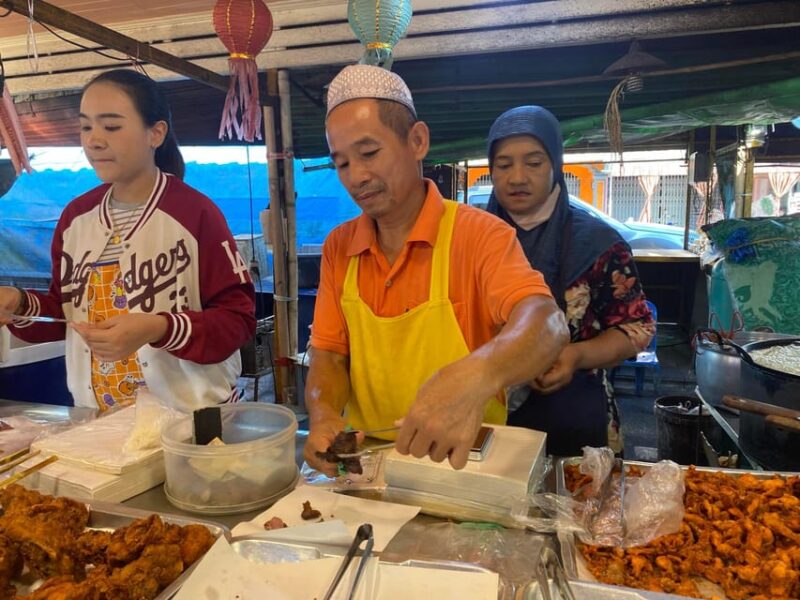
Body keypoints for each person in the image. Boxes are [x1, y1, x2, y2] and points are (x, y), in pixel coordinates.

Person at [303, 65, 569, 475]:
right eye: (341, 163)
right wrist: (322, 414)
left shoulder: (480, 235)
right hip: (370, 470)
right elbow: (330, 355)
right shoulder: (339, 247)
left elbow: (547, 322)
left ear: (417, 141)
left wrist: (475, 375)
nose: (357, 176)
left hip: (467, 469)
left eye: (369, 153)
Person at [0, 69, 255, 412]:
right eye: (86, 126)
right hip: (100, 424)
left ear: (156, 133)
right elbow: (66, 315)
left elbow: (237, 322)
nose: (94, 140)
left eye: (112, 126)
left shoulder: (195, 213)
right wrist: (19, 304)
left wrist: (159, 327)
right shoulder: (76, 219)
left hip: (190, 424)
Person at [485, 105, 655, 456]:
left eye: (534, 163)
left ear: (556, 165)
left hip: (572, 414)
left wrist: (576, 355)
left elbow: (637, 327)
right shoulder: (467, 238)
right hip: (484, 419)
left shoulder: (597, 243)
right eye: (504, 165)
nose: (517, 177)